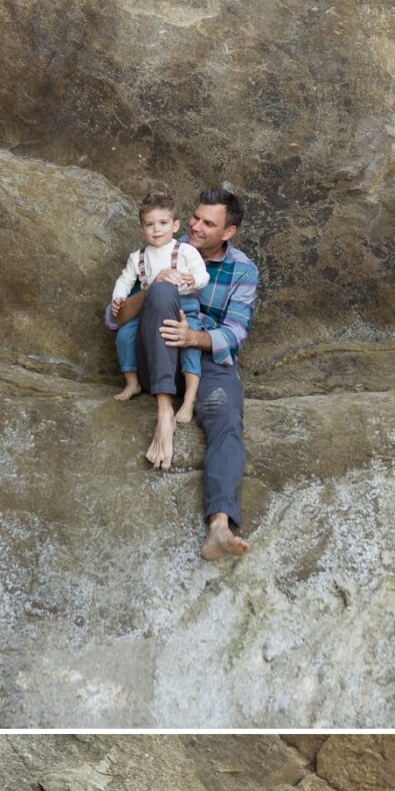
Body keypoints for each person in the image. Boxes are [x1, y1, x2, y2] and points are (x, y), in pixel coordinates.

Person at [108, 185, 258, 554]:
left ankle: (219, 527)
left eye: (209, 223)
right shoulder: (154, 254)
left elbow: (236, 333)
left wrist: (193, 337)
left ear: (228, 232)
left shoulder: (242, 269)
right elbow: (115, 322)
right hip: (155, 350)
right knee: (160, 293)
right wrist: (154, 287)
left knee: (226, 419)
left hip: (207, 360)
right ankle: (164, 413)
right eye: (194, 217)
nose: (196, 226)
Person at [107, 186, 209, 425]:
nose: (156, 230)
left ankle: (189, 399)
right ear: (142, 228)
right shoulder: (138, 257)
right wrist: (118, 298)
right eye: (149, 224)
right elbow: (125, 279)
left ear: (175, 225)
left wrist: (194, 280)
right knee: (124, 336)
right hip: (148, 312)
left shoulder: (184, 250)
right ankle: (132, 383)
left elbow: (202, 274)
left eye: (163, 223)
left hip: (184, 307)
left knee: (189, 346)